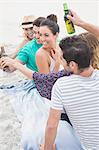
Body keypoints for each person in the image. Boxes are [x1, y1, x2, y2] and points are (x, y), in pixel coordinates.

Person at [43, 35, 99, 150]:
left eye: (62, 59)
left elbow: (52, 125)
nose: (60, 61)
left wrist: (47, 148)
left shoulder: (61, 86)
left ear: (72, 65)